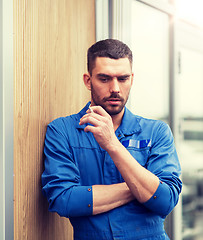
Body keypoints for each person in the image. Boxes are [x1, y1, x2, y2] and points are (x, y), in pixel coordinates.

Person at [41, 39, 182, 240]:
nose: (115, 88)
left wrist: (112, 144)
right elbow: (64, 200)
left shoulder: (156, 132)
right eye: (105, 79)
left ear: (131, 79)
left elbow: (165, 201)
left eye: (122, 79)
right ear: (88, 80)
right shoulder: (62, 131)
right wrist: (140, 186)